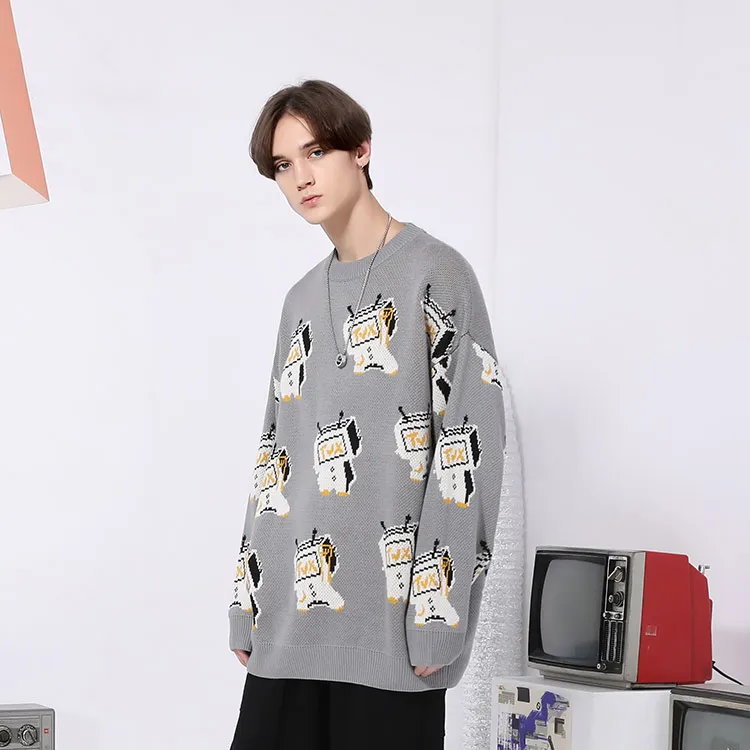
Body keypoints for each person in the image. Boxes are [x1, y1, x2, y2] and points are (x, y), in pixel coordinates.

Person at [227, 79, 506, 750]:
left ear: (361, 150)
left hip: (390, 639)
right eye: (282, 165)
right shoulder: (299, 300)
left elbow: (468, 449)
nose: (301, 178)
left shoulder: (436, 274)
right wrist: (247, 598)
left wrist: (438, 614)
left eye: (315, 152)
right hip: (289, 626)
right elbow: (274, 453)